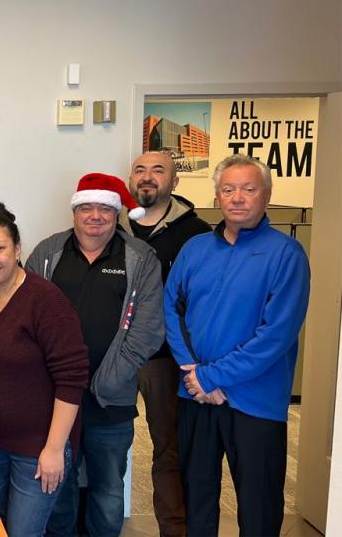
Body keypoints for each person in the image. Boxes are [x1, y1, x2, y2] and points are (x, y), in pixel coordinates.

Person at [165, 154, 310, 536]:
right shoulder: (195, 249)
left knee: (259, 505)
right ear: (217, 197)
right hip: (195, 395)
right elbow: (171, 309)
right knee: (196, 497)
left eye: (249, 189)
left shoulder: (286, 254)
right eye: (228, 189)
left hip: (255, 400)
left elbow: (275, 334)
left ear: (267, 195)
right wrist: (194, 373)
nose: (238, 197)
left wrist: (213, 377)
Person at [26, 173, 164, 537]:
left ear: (116, 213)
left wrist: (106, 381)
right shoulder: (47, 253)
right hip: (54, 401)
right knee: (56, 486)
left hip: (111, 401)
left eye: (105, 208)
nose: (95, 216)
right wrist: (54, 384)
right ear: (74, 211)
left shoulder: (140, 258)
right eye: (86, 207)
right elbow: (25, 318)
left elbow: (148, 331)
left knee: (107, 492)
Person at [0, 204, 88, 536]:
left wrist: (54, 449)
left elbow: (72, 378)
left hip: (38, 447)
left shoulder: (45, 300)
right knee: (2, 525)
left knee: (24, 532)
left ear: (17, 249)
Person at [119, 150, 212, 537]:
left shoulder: (197, 233)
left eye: (158, 170)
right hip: (115, 355)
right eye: (139, 170)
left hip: (166, 358)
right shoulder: (111, 225)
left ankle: (173, 529)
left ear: (174, 181)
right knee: (106, 443)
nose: (147, 176)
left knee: (168, 448)